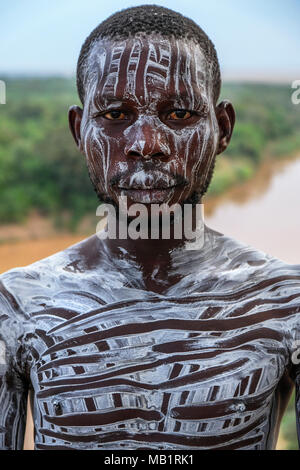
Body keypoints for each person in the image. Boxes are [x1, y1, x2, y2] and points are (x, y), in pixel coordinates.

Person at [0, 4, 300, 451]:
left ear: (222, 129)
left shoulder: (284, 303)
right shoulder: (17, 305)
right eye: (116, 115)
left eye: (178, 114)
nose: (146, 144)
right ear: (79, 130)